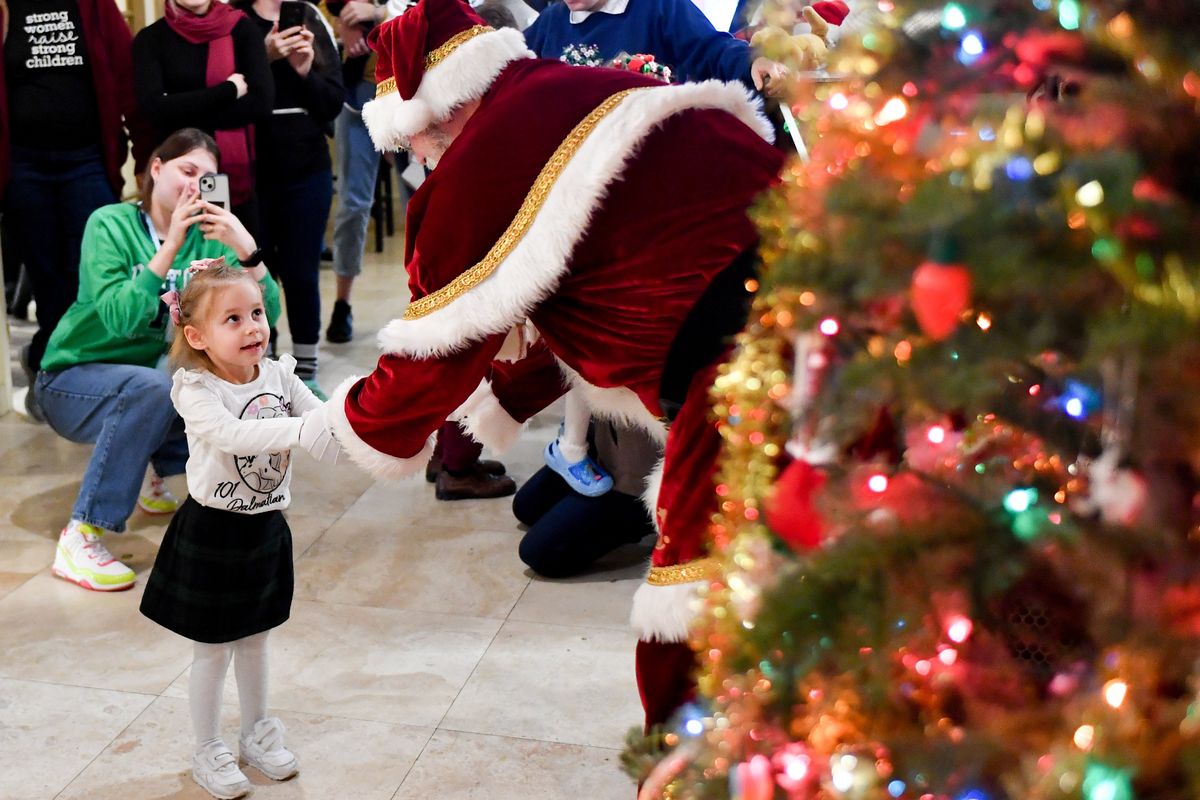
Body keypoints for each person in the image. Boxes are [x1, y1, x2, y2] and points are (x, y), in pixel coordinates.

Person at [315, 0, 785, 730]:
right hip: (823, 278)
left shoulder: (478, 162)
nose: (422, 162)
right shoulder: (558, 88)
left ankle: (696, 766)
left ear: (436, 112)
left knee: (695, 611)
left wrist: (341, 420)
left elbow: (430, 358)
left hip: (746, 367)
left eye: (416, 143)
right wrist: (500, 399)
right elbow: (568, 293)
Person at [36, 128, 282, 592]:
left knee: (228, 374)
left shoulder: (209, 242)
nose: (195, 186)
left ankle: (166, 472)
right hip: (71, 378)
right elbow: (121, 319)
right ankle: (82, 533)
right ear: (155, 169)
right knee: (152, 387)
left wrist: (247, 249)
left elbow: (262, 316)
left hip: (147, 377)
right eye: (186, 171)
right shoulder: (108, 224)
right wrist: (167, 248)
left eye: (207, 178)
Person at [139, 260, 340, 800]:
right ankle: (207, 745)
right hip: (212, 534)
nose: (253, 326)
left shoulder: (279, 375)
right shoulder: (195, 389)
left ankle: (256, 731)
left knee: (256, 640)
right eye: (233, 319)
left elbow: (323, 424)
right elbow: (230, 434)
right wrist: (306, 428)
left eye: (256, 312)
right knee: (213, 649)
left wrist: (357, 421)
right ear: (196, 336)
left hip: (265, 530)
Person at [0, 0, 147, 420]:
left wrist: (143, 157)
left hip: (86, 161)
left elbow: (126, 79)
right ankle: (54, 372)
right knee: (48, 280)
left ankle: (89, 373)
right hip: (25, 167)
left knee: (96, 274)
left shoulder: (93, 6)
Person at [238, 0, 343, 389]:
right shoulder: (235, 20)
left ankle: (306, 366)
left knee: (302, 273)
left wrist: (304, 73)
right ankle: (260, 359)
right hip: (250, 170)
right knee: (253, 275)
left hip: (306, 168)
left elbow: (332, 102)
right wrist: (261, 57)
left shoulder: (310, 16)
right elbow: (227, 90)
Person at [133, 0, 274, 235]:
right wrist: (228, 91)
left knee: (234, 267)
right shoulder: (150, 39)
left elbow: (260, 103)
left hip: (235, 178)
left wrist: (181, 110)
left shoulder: (241, 29)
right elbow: (153, 110)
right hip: (175, 181)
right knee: (182, 267)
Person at [324, 0, 394, 344]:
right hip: (359, 94)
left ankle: (431, 299)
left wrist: (378, 14)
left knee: (427, 201)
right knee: (353, 203)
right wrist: (343, 17)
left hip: (414, 86)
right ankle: (342, 302)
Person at [523, 0, 787, 90]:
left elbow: (710, 48)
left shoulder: (659, 6)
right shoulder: (551, 21)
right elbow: (511, 64)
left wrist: (751, 61)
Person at [515, 418, 659, 577]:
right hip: (598, 436)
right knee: (527, 508)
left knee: (540, 554)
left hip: (637, 474)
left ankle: (644, 516)